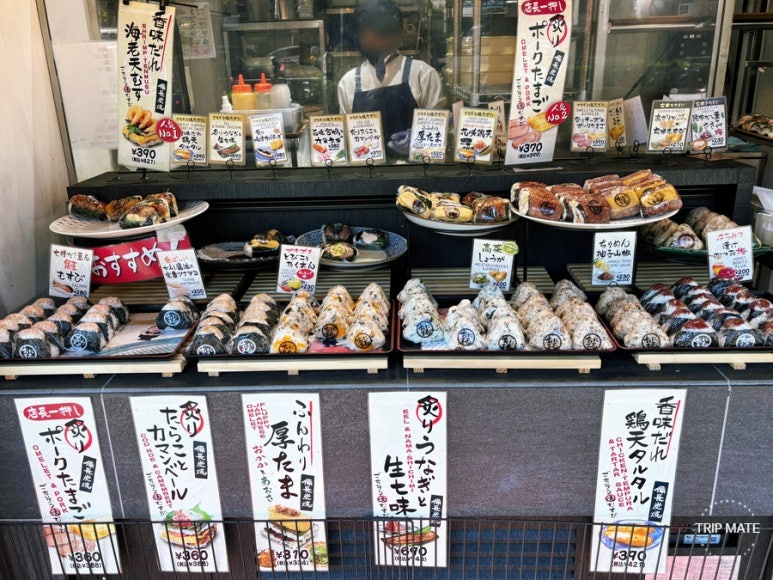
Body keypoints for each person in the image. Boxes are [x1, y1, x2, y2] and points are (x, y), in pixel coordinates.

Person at [337, 0, 445, 151]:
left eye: (386, 32)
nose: (380, 40)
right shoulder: (348, 82)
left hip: (417, 170)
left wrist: (417, 139)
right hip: (365, 170)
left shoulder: (423, 74)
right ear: (359, 36)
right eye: (372, 33)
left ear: (399, 33)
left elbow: (438, 132)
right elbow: (346, 139)